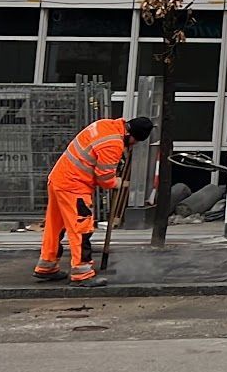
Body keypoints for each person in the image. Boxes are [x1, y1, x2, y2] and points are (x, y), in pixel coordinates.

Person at [34, 115, 152, 287]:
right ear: (132, 136)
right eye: (135, 142)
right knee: (81, 228)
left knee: (55, 226)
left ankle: (47, 265)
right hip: (74, 186)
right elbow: (104, 178)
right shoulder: (113, 144)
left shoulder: (106, 125)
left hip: (59, 179)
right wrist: (116, 182)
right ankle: (82, 273)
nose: (133, 146)